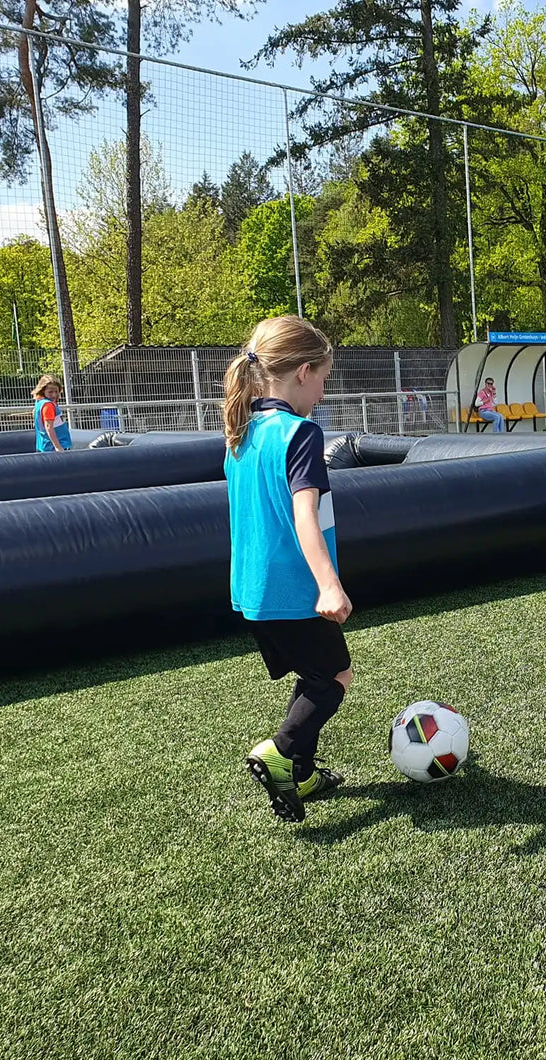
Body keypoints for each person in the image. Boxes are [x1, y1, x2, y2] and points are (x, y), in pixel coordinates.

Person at [225, 315, 353, 824]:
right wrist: (329, 583)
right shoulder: (299, 433)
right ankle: (280, 750)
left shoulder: (241, 431)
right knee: (335, 676)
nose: (323, 391)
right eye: (323, 378)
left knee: (313, 672)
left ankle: (299, 772)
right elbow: (305, 516)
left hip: (252, 591)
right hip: (294, 588)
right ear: (302, 372)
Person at [32, 375, 72, 452]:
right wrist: (58, 447)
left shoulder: (40, 403)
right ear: (43, 391)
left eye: (56, 391)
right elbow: (49, 427)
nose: (54, 395)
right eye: (50, 392)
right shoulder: (48, 405)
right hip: (52, 448)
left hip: (44, 446)